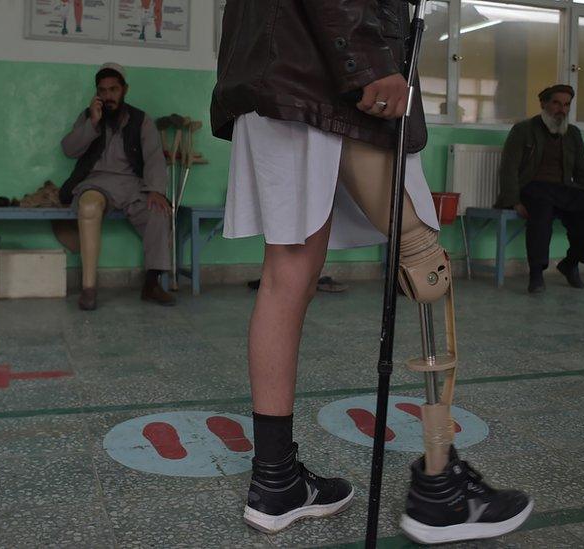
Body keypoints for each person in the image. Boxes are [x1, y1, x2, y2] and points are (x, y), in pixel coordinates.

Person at [212, 1, 531, 544]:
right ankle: (440, 490)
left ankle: (276, 481)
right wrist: (366, 63)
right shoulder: (350, 66)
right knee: (424, 259)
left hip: (277, 74)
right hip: (332, 78)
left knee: (286, 274)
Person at [59, 62, 174, 310]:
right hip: (96, 183)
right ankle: (88, 288)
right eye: (103, 90)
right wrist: (92, 123)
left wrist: (156, 190)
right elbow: (69, 149)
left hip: (133, 186)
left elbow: (154, 157)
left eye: (113, 90)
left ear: (124, 90)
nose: (108, 96)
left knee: (159, 211)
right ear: (96, 92)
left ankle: (152, 283)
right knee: (88, 207)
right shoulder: (88, 116)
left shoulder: (141, 120)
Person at [496, 84, 584, 293]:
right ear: (544, 104)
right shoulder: (523, 130)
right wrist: (514, 201)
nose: (561, 109)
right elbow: (508, 169)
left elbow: (583, 170)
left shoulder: (572, 134)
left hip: (563, 189)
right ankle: (536, 274)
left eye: (566, 105)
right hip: (533, 188)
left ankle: (570, 263)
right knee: (541, 215)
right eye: (556, 103)